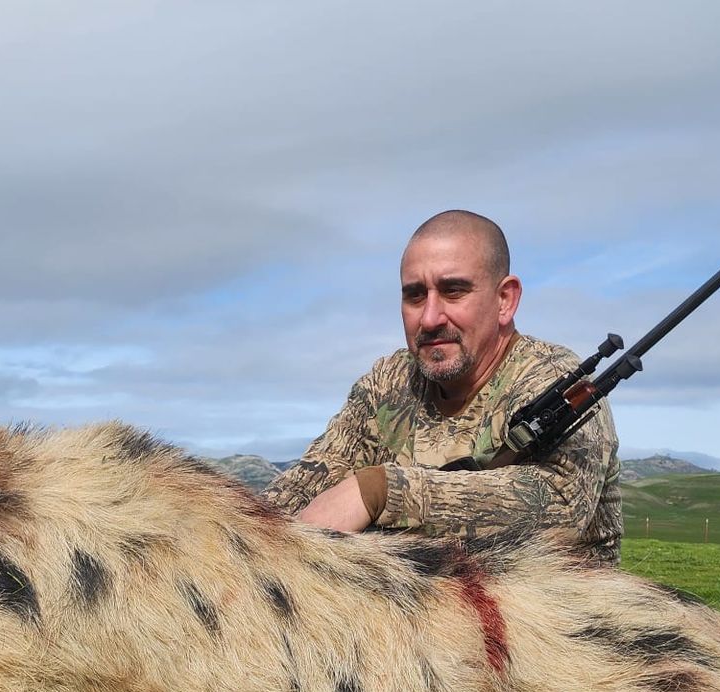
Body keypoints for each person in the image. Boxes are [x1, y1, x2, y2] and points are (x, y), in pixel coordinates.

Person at [264, 210, 623, 564]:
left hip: (554, 615)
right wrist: (241, 530)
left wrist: (381, 492)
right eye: (415, 296)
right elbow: (312, 477)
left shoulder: (556, 381)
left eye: (453, 291)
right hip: (419, 608)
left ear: (505, 300)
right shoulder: (389, 380)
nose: (430, 318)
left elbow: (561, 507)